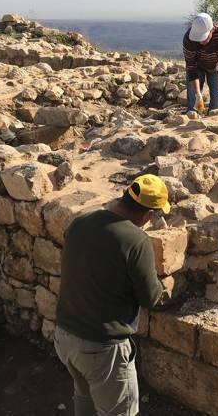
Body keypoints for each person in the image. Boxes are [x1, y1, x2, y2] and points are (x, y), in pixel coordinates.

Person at [54, 174, 170, 416]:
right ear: (148, 215)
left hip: (65, 337)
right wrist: (166, 286)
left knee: (84, 397)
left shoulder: (81, 221)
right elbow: (150, 298)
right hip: (101, 348)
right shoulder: (136, 240)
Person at [183, 13, 218, 116]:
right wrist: (197, 94)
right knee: (193, 104)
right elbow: (191, 68)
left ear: (212, 30)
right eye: (198, 38)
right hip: (197, 68)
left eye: (204, 37)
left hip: (217, 67)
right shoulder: (189, 38)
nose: (201, 41)